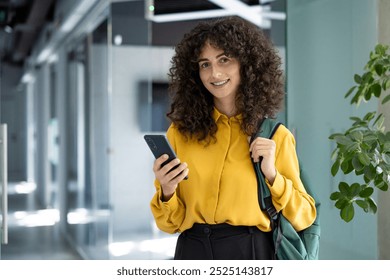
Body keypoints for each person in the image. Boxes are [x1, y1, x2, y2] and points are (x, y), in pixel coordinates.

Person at [150, 16, 316, 260]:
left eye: (224, 60)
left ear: (246, 64)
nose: (214, 72)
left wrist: (273, 176)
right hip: (191, 252)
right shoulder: (180, 133)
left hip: (250, 253)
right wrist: (167, 190)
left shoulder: (275, 137)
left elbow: (304, 217)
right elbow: (168, 224)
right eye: (204, 64)